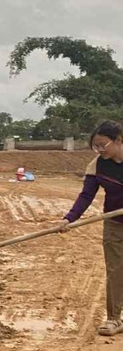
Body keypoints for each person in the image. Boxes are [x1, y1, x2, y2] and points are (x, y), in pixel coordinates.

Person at [60, 120, 123, 336]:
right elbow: (86, 195)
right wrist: (69, 219)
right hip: (115, 224)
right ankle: (114, 319)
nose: (99, 150)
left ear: (118, 140)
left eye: (103, 145)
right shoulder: (97, 166)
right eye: (95, 146)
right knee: (115, 271)